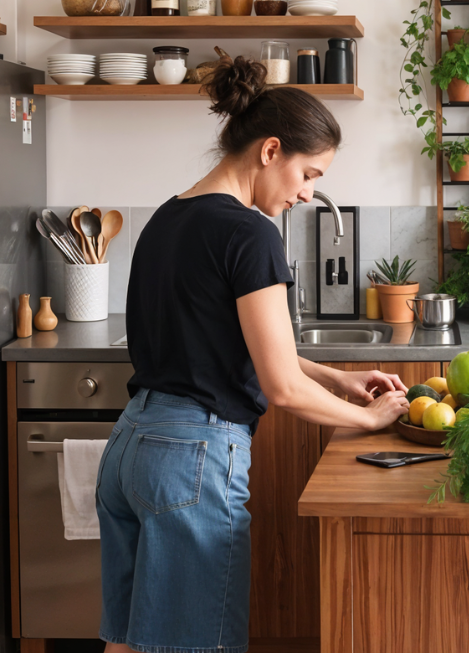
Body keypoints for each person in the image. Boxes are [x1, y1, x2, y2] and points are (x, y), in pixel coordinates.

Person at [94, 56, 411, 653]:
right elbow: (282, 387)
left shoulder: (168, 217)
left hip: (131, 448)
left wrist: (338, 378)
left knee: (129, 642)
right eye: (308, 173)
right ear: (271, 151)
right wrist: (370, 419)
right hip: (191, 462)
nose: (308, 192)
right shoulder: (250, 233)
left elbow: (226, 341)